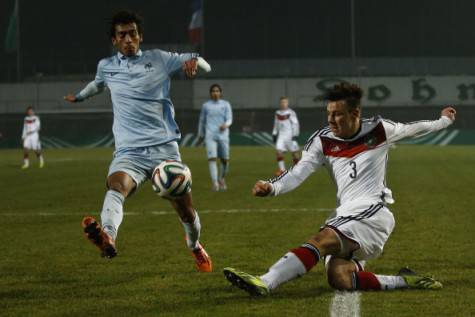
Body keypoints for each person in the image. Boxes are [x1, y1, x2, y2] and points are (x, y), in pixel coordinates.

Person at [224, 82, 456, 295]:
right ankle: (406, 281)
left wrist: (444, 120)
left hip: (373, 213)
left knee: (322, 239)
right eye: (329, 114)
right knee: (339, 276)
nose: (331, 120)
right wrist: (272, 187)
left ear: (355, 113)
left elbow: (416, 128)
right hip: (345, 214)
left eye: (337, 114)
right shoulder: (322, 141)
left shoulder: (378, 129)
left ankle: (266, 282)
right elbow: (298, 172)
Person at [64, 11, 212, 272]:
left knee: (186, 212)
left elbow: (203, 63)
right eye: (122, 34)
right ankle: (108, 236)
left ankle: (195, 246)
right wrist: (79, 97)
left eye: (133, 33)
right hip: (129, 151)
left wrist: (195, 63)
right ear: (114, 40)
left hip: (164, 149)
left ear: (140, 36)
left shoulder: (160, 59)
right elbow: (96, 85)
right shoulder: (106, 66)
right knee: (116, 186)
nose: (129, 38)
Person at [197, 84, 233, 191]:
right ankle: (215, 183)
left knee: (225, 160)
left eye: (217, 91)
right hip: (210, 135)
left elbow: (230, 119)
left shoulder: (226, 104)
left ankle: (221, 178)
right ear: (210, 93)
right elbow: (202, 121)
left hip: (223, 135)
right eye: (213, 91)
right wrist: (200, 135)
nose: (215, 93)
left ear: (220, 93)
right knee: (212, 159)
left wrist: (226, 124)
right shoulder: (206, 106)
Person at [272, 97, 300, 175]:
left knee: (294, 153)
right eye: (282, 102)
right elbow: (276, 124)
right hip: (281, 135)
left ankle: (298, 169)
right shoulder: (277, 113)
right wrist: (274, 133)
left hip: (290, 135)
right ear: (280, 103)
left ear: (287, 103)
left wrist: (295, 135)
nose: (283, 104)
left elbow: (296, 124)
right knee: (278, 151)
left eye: (285, 102)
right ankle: (282, 170)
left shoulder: (291, 112)